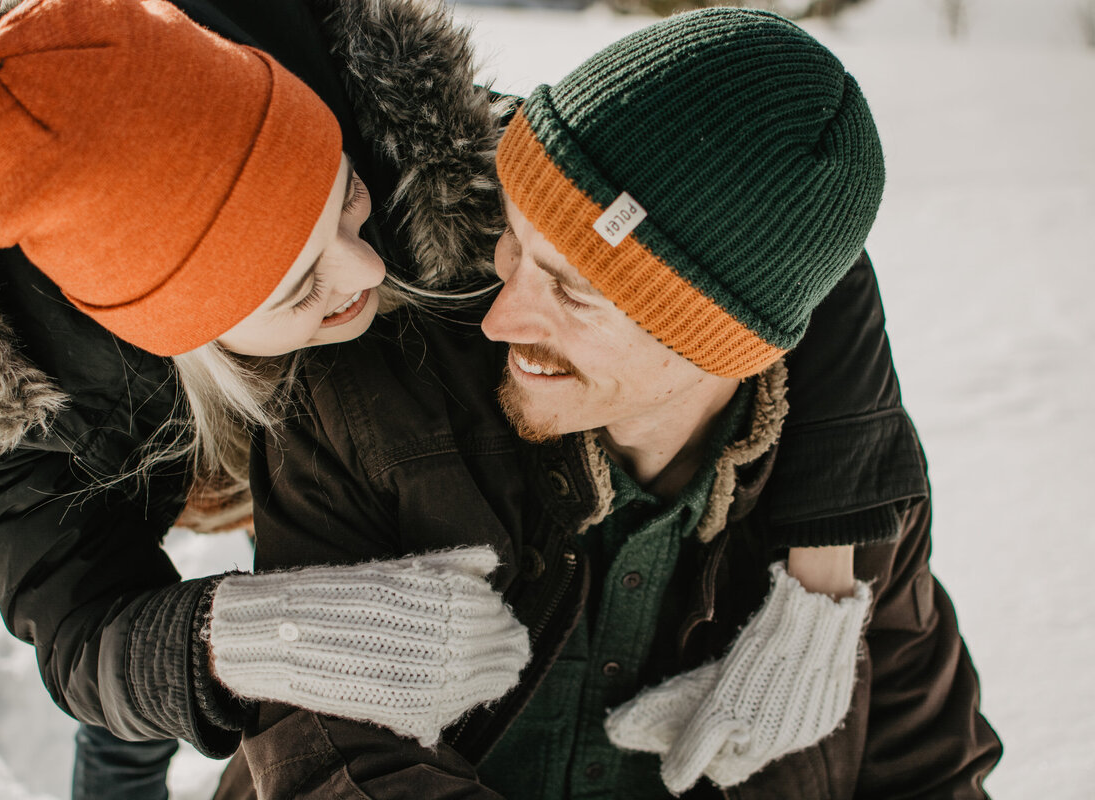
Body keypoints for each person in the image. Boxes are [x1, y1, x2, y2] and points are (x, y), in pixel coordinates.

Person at [214, 8, 1002, 799]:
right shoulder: (372, 402)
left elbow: (927, 767)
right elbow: (323, 749)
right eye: (514, 244)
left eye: (573, 291)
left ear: (723, 341)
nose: (501, 316)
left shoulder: (853, 502)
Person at [0, 0, 527, 797]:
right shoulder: (3, 381)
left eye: (347, 200)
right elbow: (81, 617)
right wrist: (226, 645)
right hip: (152, 443)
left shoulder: (387, 119)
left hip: (334, 415)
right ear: (185, 332)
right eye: (299, 283)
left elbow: (639, 224)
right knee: (148, 674)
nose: (366, 270)